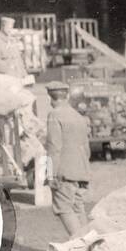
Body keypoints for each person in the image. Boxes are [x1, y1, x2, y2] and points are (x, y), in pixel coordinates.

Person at [43, 80, 91, 236]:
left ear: (50, 98)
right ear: (67, 96)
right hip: (80, 171)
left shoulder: (54, 115)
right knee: (78, 209)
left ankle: (80, 245)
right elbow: (87, 149)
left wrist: (50, 175)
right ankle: (89, 247)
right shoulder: (78, 116)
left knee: (63, 208)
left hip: (63, 173)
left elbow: (53, 148)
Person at [0, 15, 29, 80]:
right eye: (8, 28)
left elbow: (18, 59)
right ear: (2, 26)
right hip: (4, 77)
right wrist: (9, 70)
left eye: (11, 28)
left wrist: (24, 74)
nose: (10, 30)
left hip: (16, 76)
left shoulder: (12, 40)